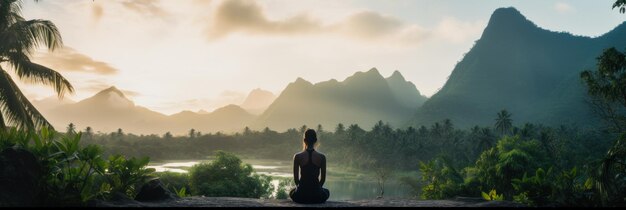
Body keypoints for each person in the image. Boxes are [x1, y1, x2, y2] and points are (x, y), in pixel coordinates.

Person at [289, 129, 330, 204]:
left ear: (304, 140)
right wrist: (317, 190)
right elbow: (322, 179)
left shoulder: (297, 156)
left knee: (292, 191)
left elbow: (296, 180)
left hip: (301, 196)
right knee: (327, 191)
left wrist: (301, 189)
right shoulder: (322, 157)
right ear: (315, 140)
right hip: (317, 196)